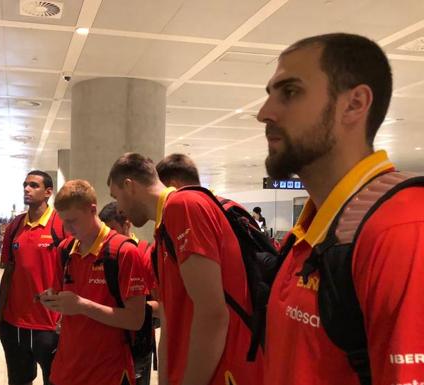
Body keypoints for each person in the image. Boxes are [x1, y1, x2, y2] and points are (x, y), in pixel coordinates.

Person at [258, 33, 424, 384]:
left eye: (290, 92)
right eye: (269, 94)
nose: (264, 113)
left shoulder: (403, 229)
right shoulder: (308, 235)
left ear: (354, 104)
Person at [108, 153, 262, 385]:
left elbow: (212, 314)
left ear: (129, 186)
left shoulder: (184, 205)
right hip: (197, 368)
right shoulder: (163, 230)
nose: (118, 209)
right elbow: (172, 316)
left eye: (116, 197)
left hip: (223, 370)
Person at [40, 179, 149, 385]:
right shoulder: (65, 249)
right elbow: (61, 296)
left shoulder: (123, 252)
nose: (67, 228)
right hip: (65, 370)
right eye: (63, 221)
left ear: (92, 210)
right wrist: (52, 300)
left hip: (109, 373)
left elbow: (135, 319)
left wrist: (82, 306)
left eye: (73, 221)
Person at [0, 170, 66, 385]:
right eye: (25, 185)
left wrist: (68, 318)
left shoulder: (61, 225)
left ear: (48, 192)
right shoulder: (15, 226)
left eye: (34, 185)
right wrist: (1, 317)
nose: (27, 189)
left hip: (50, 325)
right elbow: (8, 272)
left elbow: (72, 274)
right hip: (14, 323)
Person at [98, 201, 158, 385]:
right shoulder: (102, 253)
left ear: (127, 223)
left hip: (137, 343)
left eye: (113, 229)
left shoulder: (145, 252)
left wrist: (137, 309)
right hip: (105, 340)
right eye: (105, 230)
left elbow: (164, 304)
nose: (109, 236)